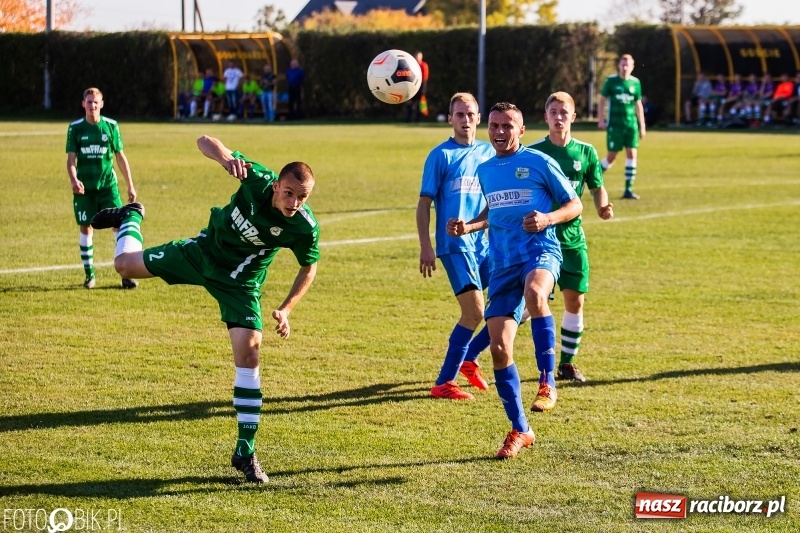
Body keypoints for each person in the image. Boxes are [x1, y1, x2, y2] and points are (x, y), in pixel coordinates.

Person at [89, 135, 320, 484]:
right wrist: (225, 158)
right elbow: (204, 140)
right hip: (201, 254)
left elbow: (309, 268)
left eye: (302, 197)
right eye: (289, 193)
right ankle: (131, 216)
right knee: (123, 266)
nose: (294, 202)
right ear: (276, 185)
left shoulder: (304, 227)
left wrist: (286, 309)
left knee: (250, 355)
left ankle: (245, 451)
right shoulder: (257, 178)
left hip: (239, 285)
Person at [447, 102, 582, 459]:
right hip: (503, 264)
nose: (499, 131)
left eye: (507, 125)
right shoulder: (486, 169)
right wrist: (468, 226)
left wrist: (547, 219)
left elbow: (574, 205)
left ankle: (547, 382)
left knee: (536, 294)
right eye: (494, 125)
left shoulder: (539, 162)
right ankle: (521, 429)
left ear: (521, 130)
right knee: (499, 348)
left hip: (540, 252)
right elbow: (493, 211)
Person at [528, 92, 614, 384]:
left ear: (573, 117)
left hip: (573, 239)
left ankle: (567, 363)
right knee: (527, 304)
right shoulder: (534, 153)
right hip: (541, 239)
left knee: (575, 301)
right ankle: (483, 350)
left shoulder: (586, 152)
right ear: (546, 117)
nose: (558, 117)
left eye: (564, 112)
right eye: (553, 112)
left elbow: (597, 186)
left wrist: (603, 206)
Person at [417, 93, 496, 401]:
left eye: (471, 114)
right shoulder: (441, 156)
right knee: (474, 312)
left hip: (484, 245)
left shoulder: (489, 152)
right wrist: (426, 246)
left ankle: (470, 357)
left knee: (516, 298)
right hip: (455, 247)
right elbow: (424, 204)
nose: (466, 120)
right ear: (450, 119)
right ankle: (444, 383)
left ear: (479, 118)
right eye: (459, 114)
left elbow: (495, 200)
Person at [66, 87, 138, 289]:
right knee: (86, 227)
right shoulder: (75, 128)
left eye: (96, 102)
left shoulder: (111, 126)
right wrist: (74, 180)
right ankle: (89, 275)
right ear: (83, 104)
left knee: (119, 225)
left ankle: (127, 275)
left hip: (108, 187)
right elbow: (71, 160)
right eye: (89, 102)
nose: (92, 105)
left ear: (102, 104)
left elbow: (120, 157)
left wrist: (130, 185)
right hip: (85, 189)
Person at [597, 53, 646, 200]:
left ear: (632, 66)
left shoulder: (635, 83)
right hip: (615, 125)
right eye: (623, 64)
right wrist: (601, 119)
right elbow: (602, 100)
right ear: (619, 65)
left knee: (632, 154)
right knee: (611, 157)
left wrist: (642, 125)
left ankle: (628, 189)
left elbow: (638, 104)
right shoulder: (611, 81)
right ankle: (591, 176)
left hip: (631, 125)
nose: (625, 67)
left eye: (627, 65)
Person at [406, 51, 430, 123]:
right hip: (411, 87)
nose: (418, 58)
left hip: (420, 87)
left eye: (419, 56)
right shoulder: (411, 65)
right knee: (410, 104)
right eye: (417, 56)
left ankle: (418, 120)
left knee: (420, 105)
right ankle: (408, 119)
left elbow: (424, 78)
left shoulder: (424, 65)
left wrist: (423, 90)